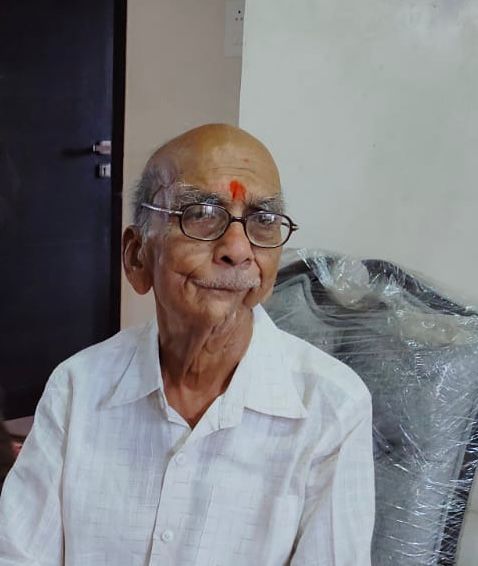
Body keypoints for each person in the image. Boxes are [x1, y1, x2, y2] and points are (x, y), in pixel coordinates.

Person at [0, 124, 374, 565]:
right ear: (137, 256)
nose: (238, 249)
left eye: (263, 221)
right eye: (201, 213)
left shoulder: (332, 406)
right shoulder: (77, 387)